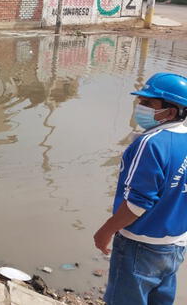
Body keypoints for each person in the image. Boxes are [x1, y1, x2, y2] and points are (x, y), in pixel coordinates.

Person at [93, 72, 187, 305]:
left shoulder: (150, 143)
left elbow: (137, 203)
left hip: (139, 245)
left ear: (171, 112)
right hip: (175, 245)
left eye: (148, 103)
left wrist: (105, 231)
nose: (140, 107)